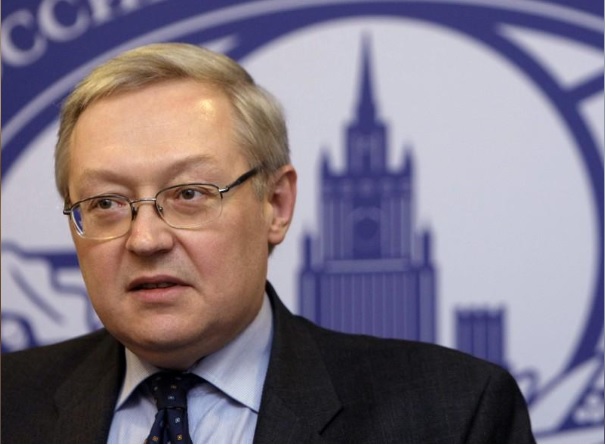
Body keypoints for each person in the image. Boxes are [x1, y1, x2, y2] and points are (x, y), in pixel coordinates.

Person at [1, 42, 535, 444]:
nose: (145, 238)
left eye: (189, 194)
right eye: (106, 203)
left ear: (275, 205)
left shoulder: (452, 413)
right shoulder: (10, 403)